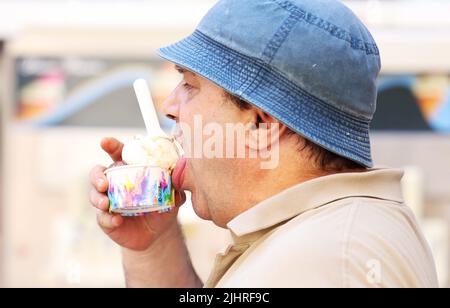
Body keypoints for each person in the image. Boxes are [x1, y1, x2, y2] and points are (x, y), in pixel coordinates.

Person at [89, 0, 438, 287]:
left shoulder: (324, 260)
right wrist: (154, 247)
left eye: (190, 85)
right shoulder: (322, 238)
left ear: (260, 125)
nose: (169, 107)